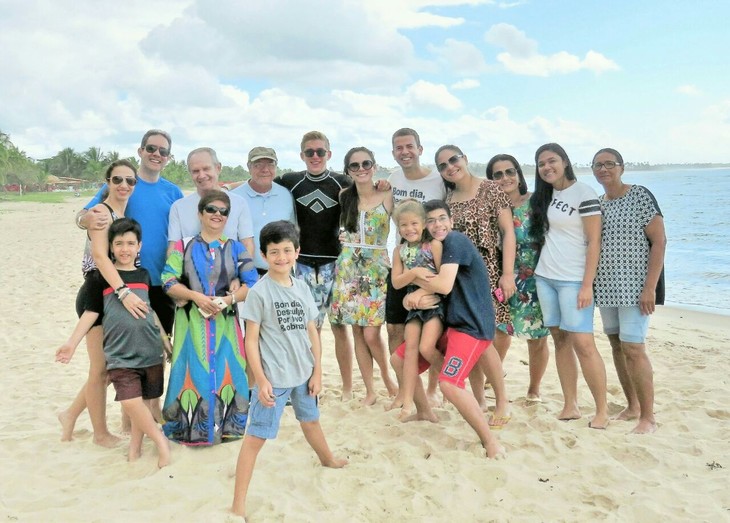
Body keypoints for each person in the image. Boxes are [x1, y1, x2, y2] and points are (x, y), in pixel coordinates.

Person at [231, 220, 348, 518]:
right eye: (274, 252)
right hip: (274, 379)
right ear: (264, 254)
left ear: (297, 252)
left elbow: (313, 333)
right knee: (256, 437)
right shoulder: (259, 292)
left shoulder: (303, 288)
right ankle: (238, 503)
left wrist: (318, 371)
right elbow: (252, 340)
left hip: (304, 374)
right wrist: (260, 379)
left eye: (287, 250)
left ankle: (328, 459)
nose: (281, 257)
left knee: (310, 421)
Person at [392, 200, 505, 458]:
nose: (436, 225)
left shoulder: (454, 242)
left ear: (452, 220)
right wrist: (412, 295)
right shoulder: (426, 247)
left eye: (441, 218)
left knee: (449, 385)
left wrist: (418, 290)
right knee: (398, 359)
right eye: (430, 220)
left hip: (470, 325)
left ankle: (491, 441)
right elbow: (418, 283)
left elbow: (442, 286)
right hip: (449, 321)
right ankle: (424, 411)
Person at [56, 218, 171, 467]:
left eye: (131, 243)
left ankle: (135, 448)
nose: (125, 249)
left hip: (149, 350)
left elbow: (150, 310)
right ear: (110, 247)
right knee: (130, 401)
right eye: (119, 244)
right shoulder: (102, 278)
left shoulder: (143, 274)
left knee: (142, 402)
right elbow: (91, 314)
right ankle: (160, 441)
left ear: (139, 246)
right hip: (120, 354)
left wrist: (164, 340)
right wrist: (71, 343)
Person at [161, 190, 258, 445]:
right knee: (190, 371)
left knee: (230, 370)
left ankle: (229, 429)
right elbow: (168, 281)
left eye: (223, 211)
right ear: (200, 213)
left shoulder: (236, 248)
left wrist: (228, 300)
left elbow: (252, 283)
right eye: (211, 210)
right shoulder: (183, 245)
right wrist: (196, 296)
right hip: (190, 322)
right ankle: (189, 430)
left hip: (226, 323)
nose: (218, 215)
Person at [529, 143, 609, 429]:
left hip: (573, 280)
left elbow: (594, 242)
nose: (547, 167)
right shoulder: (545, 196)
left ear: (565, 162)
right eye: (541, 164)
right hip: (545, 277)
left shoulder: (584, 193)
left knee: (584, 343)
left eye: (552, 161)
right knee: (560, 340)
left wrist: (587, 284)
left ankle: (601, 410)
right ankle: (570, 404)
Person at [58, 159, 137, 447]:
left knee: (105, 369)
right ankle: (100, 433)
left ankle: (70, 414)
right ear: (107, 182)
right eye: (117, 180)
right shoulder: (102, 212)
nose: (124, 185)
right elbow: (101, 258)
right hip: (98, 290)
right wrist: (125, 291)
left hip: (111, 293)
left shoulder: (119, 211)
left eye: (130, 181)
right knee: (99, 369)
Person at [435, 145, 514, 427]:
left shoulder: (490, 189)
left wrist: (507, 274)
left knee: (485, 339)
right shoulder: (448, 198)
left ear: (465, 159)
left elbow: (508, 233)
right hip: (456, 278)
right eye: (443, 165)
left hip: (487, 274)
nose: (450, 167)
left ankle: (502, 401)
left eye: (453, 160)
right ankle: (479, 399)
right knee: (469, 338)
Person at [78, 129, 183, 334]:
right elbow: (85, 214)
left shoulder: (173, 192)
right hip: (124, 279)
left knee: (158, 348)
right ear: (141, 151)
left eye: (163, 151)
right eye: (151, 148)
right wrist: (84, 219)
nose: (156, 154)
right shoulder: (122, 183)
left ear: (168, 158)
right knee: (121, 350)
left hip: (161, 281)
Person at [592, 148, 666, 434]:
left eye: (610, 164)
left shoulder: (640, 196)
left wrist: (650, 288)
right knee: (617, 345)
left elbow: (659, 242)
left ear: (622, 167)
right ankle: (632, 405)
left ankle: (648, 417)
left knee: (634, 347)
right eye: (598, 165)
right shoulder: (599, 204)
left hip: (636, 288)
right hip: (607, 288)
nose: (604, 169)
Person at [277, 131, 354, 399]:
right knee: (311, 327)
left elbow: (365, 196)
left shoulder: (342, 182)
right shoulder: (291, 181)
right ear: (302, 155)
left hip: (336, 263)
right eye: (309, 152)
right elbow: (260, 184)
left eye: (320, 151)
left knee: (340, 326)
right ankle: (313, 382)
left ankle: (346, 386)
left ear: (329, 154)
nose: (315, 156)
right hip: (304, 264)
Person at [330, 147, 397, 405]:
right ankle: (370, 389)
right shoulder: (344, 195)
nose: (361, 169)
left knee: (372, 333)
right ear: (347, 170)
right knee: (357, 331)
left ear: (374, 165)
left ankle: (388, 378)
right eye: (354, 165)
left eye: (366, 163)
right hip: (348, 268)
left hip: (376, 267)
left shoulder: (386, 193)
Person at [387, 128, 447, 405]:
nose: (405, 152)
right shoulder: (391, 179)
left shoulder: (438, 180)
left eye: (409, 146)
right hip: (405, 264)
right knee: (398, 333)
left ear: (420, 149)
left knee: (431, 342)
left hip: (432, 271)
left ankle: (435, 388)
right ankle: (406, 391)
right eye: (399, 148)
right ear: (393, 153)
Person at [486, 154, 550, 403]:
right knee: (499, 333)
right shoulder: (491, 209)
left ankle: (534, 390)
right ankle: (494, 381)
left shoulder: (536, 202)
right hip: (501, 276)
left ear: (519, 175)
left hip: (535, 276)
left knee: (538, 337)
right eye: (498, 174)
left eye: (510, 172)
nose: (505, 178)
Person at [387, 199, 443, 418]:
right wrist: (414, 273)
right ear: (398, 228)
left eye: (413, 223)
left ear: (423, 224)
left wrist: (423, 287)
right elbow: (397, 283)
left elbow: (443, 277)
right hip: (413, 306)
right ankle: (408, 401)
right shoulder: (399, 250)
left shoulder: (434, 246)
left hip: (434, 304)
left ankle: (451, 383)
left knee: (428, 347)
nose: (409, 229)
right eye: (403, 225)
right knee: (410, 349)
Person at [168, 147, 255, 257]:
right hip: (190, 272)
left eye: (206, 169)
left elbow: (247, 244)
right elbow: (173, 248)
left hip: (230, 272)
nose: (202, 175)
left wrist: (243, 272)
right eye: (195, 171)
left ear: (218, 168)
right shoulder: (178, 207)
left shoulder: (239, 203)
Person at [231, 146, 296, 276]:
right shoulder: (233, 198)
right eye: (258, 165)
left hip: (282, 274)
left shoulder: (286, 195)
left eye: (270, 164)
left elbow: (293, 234)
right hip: (245, 276)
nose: (265, 170)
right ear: (249, 167)